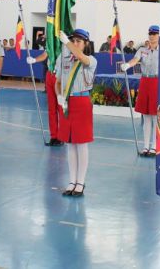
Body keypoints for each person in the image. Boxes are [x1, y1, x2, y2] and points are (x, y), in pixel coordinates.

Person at [56, 29, 98, 197]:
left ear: (86, 43)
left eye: (79, 41)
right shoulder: (63, 58)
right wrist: (59, 96)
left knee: (81, 143)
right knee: (70, 143)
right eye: (73, 40)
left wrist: (66, 42)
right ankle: (72, 180)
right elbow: (58, 81)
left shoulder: (90, 60)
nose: (75, 43)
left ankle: (81, 182)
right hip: (67, 103)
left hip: (82, 102)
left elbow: (80, 56)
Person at [120, 25, 160, 157]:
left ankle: (154, 146)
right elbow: (135, 59)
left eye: (154, 33)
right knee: (146, 115)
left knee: (155, 116)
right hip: (145, 82)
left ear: (159, 36)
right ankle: (146, 145)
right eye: (150, 33)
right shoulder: (142, 50)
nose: (152, 35)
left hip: (157, 82)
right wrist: (128, 65)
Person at [27, 50, 64, 146]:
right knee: (51, 108)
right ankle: (54, 136)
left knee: (61, 108)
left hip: (61, 76)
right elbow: (45, 54)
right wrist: (34, 60)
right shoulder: (50, 41)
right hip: (50, 74)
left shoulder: (65, 43)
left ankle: (62, 136)